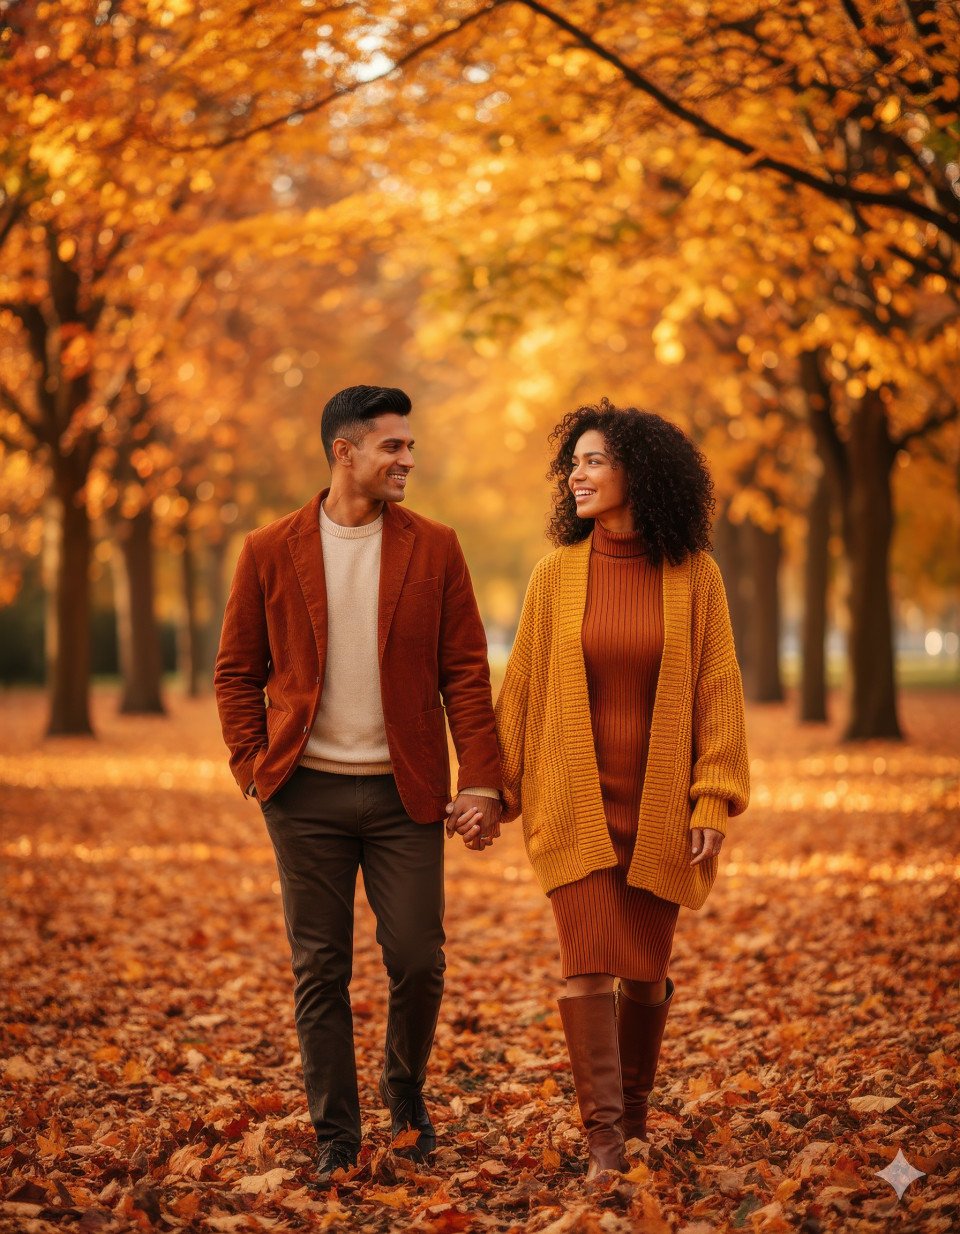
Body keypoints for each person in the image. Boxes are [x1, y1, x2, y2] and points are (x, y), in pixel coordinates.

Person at [448, 398, 749, 1181]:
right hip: (574, 804)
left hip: (658, 811)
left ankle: (638, 1117)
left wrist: (712, 795)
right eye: (572, 463)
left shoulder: (696, 578)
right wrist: (486, 787)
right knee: (585, 966)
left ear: (638, 473)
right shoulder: (556, 577)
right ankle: (605, 1143)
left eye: (592, 461)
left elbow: (718, 691)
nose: (575, 475)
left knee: (645, 974)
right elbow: (521, 693)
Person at [215, 385, 503, 1186]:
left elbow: (466, 676)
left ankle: (403, 1093)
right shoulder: (269, 549)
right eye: (393, 447)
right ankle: (336, 1133)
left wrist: (482, 781)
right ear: (345, 452)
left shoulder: (436, 547)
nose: (408, 459)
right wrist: (252, 766)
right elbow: (238, 670)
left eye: (410, 447)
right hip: (302, 795)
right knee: (320, 968)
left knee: (418, 959)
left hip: (405, 794)